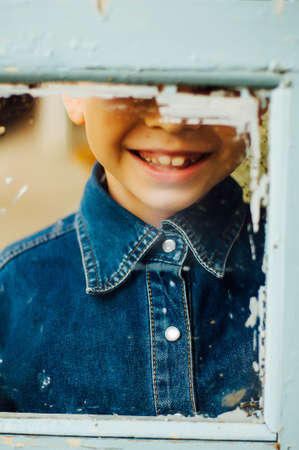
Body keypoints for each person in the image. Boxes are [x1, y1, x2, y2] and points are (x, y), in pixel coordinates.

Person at [0, 89, 265, 417]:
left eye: (209, 86)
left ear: (262, 100)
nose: (170, 121)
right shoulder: (12, 292)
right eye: (134, 85)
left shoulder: (285, 268)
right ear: (73, 94)